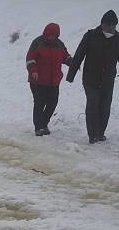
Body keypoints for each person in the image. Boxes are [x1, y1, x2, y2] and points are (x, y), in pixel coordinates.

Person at [67, 10, 119, 143]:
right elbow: (79, 55)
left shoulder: (118, 39)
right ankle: (92, 135)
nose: (109, 28)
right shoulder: (90, 36)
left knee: (105, 106)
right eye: (107, 25)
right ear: (102, 24)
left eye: (112, 25)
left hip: (108, 80)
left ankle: (100, 133)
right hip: (90, 79)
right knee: (93, 103)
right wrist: (71, 75)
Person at [26, 23, 72, 136]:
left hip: (54, 81)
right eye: (51, 35)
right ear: (46, 33)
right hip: (38, 81)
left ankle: (43, 124)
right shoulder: (38, 42)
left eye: (55, 36)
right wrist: (33, 71)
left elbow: (65, 57)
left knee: (52, 103)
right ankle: (39, 128)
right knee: (39, 103)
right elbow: (30, 58)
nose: (53, 38)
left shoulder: (59, 44)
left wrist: (72, 62)